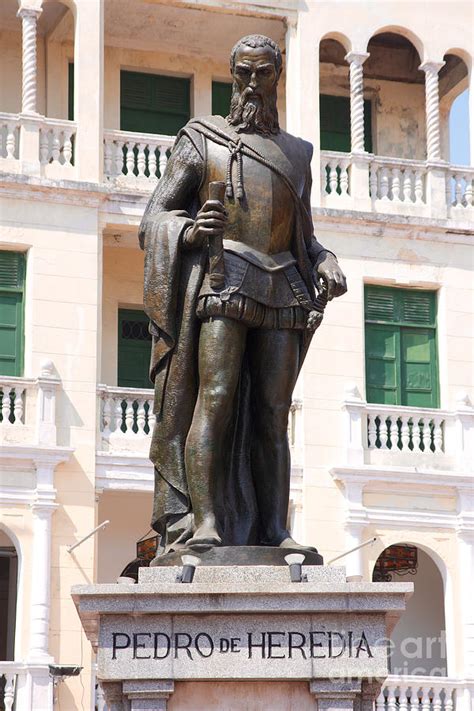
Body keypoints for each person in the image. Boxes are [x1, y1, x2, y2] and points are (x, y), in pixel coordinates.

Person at [139, 34, 347, 555]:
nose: (253, 84)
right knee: (215, 398)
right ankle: (205, 521)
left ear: (278, 76)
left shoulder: (298, 155)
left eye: (264, 74)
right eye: (244, 74)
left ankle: (277, 530)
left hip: (282, 288)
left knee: (274, 413)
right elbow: (155, 217)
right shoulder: (201, 139)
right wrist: (189, 231)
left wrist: (326, 259)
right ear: (233, 75)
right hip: (222, 278)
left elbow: (303, 234)